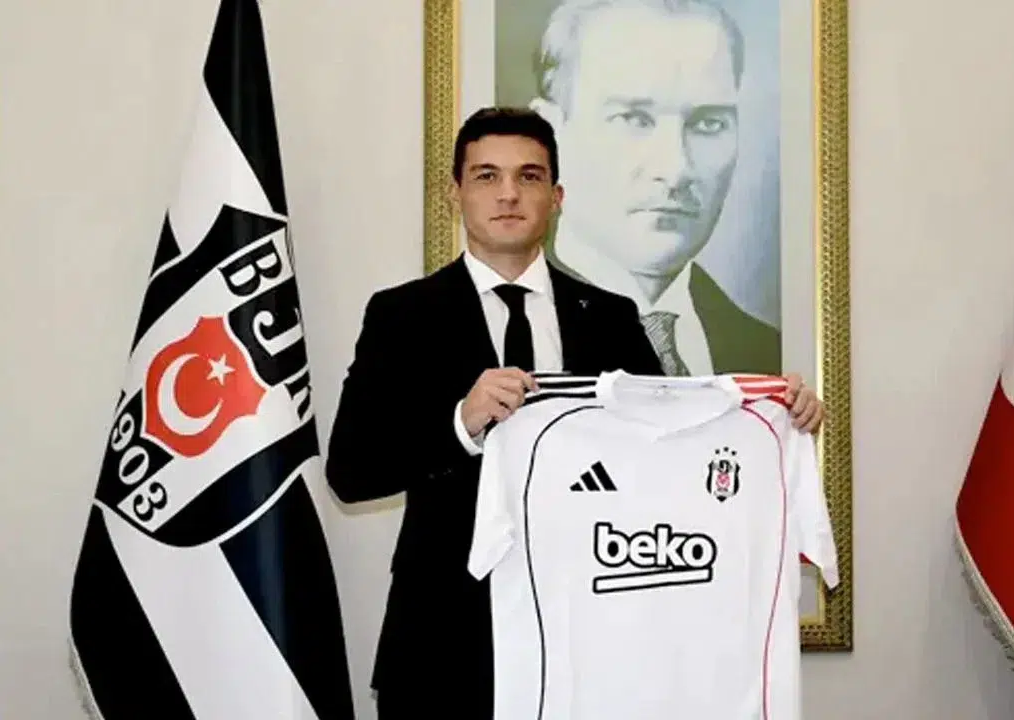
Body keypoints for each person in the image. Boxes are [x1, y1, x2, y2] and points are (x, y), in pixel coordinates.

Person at [324, 107, 825, 720]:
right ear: (456, 193)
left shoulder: (611, 316)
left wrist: (772, 414)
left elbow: (669, 451)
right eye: (486, 175)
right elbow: (351, 471)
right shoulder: (401, 315)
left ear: (556, 197)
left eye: (529, 176)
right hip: (446, 642)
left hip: (594, 642)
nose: (508, 193)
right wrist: (461, 422)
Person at [528, 0, 780, 376]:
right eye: (633, 118)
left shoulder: (766, 355)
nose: (675, 169)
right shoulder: (494, 334)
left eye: (708, 123)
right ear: (549, 134)